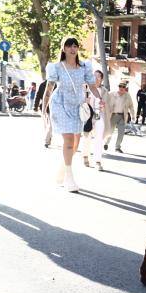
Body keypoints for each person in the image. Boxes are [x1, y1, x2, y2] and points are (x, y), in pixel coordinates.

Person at [44, 37, 94, 192]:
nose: (73, 49)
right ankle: (69, 178)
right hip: (60, 104)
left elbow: (92, 85)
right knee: (69, 140)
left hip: (77, 106)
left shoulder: (84, 67)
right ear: (64, 48)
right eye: (69, 46)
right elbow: (49, 89)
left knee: (75, 143)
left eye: (75, 46)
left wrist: (100, 99)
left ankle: (62, 170)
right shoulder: (56, 67)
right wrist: (43, 108)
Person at [81, 70, 110, 171]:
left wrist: (104, 105)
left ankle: (98, 161)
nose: (96, 78)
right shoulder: (86, 88)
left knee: (99, 138)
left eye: (98, 77)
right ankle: (85, 155)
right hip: (88, 115)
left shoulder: (104, 91)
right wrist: (85, 101)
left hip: (99, 115)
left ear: (101, 79)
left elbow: (108, 105)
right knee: (87, 137)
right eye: (94, 76)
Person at [107, 81, 135, 154]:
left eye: (123, 87)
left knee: (121, 133)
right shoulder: (112, 94)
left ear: (125, 88)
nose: (121, 88)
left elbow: (131, 106)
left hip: (122, 116)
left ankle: (117, 147)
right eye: (120, 86)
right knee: (110, 131)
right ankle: (106, 143)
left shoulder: (127, 96)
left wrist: (133, 116)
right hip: (113, 115)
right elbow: (105, 101)